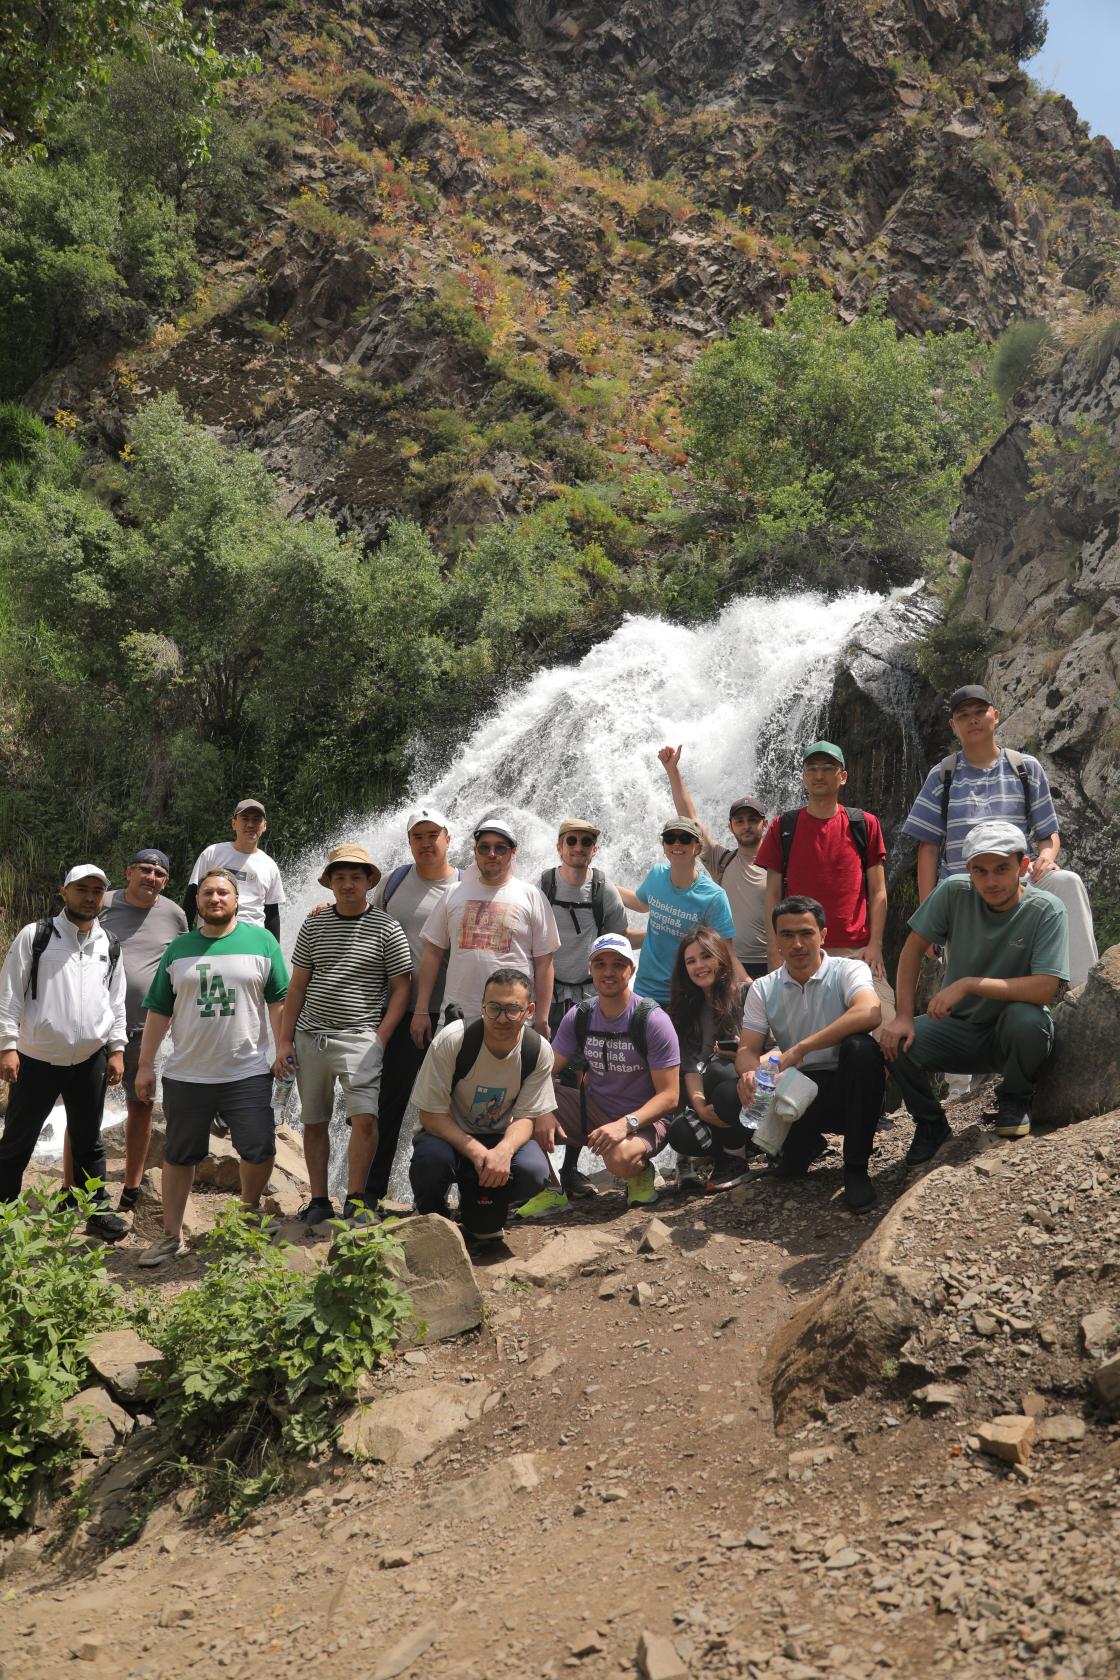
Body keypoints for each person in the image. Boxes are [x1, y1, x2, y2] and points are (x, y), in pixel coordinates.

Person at [881, 820, 1069, 1163]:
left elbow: (1045, 988)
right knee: (896, 1043)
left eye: (1001, 869)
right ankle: (930, 1124)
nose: (991, 881)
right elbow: (911, 950)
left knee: (1026, 1019)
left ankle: (1015, 1096)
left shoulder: (1046, 910)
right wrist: (904, 1016)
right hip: (960, 1029)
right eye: (980, 871)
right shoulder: (954, 892)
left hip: (1012, 1033)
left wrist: (968, 984)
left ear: (1023, 866)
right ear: (969, 870)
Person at [133, 867, 290, 1266]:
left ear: (236, 900)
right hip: (188, 1071)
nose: (215, 899)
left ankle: (248, 1214)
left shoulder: (262, 941)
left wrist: (282, 1047)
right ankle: (171, 1236)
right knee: (179, 1154)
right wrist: (145, 1065)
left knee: (258, 1147)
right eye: (207, 894)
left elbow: (279, 1002)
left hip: (247, 1069)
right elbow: (158, 1011)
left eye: (223, 893)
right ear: (198, 901)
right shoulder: (179, 947)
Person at [900, 684, 1098, 986]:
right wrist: (930, 919)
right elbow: (927, 849)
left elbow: (1049, 834)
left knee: (1067, 882)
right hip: (964, 889)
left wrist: (1046, 857)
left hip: (1020, 881)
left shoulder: (1025, 768)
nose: (973, 720)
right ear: (954, 726)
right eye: (964, 715)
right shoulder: (942, 776)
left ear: (996, 715)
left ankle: (1085, 992)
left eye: (980, 712)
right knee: (971, 1001)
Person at [276, 845, 412, 1225]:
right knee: (315, 1121)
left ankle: (355, 1198)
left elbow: (402, 987)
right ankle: (319, 1199)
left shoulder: (386, 927)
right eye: (340, 877)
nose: (348, 884)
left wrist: (380, 1037)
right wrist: (285, 1041)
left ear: (370, 881)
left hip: (360, 1038)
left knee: (365, 1119)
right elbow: (298, 986)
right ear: (330, 883)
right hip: (311, 1037)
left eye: (356, 877)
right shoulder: (315, 924)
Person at [0, 865, 128, 1237]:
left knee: (90, 1140)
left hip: (90, 1060)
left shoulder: (110, 944)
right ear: (64, 891)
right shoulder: (37, 936)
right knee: (18, 1141)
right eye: (81, 889)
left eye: (96, 890)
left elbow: (115, 1002)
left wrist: (117, 1049)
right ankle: (5, 1213)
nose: (89, 897)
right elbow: (9, 995)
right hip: (37, 1059)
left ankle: (96, 1212)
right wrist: (8, 1047)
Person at [735, 896, 884, 1211]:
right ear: (776, 940)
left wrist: (802, 1047)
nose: (797, 943)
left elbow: (870, 1013)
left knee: (862, 1048)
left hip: (849, 1087)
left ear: (824, 935)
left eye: (806, 933)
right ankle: (800, 1148)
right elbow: (748, 1048)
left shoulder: (848, 969)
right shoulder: (763, 988)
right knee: (730, 1089)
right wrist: (749, 1073)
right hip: (799, 1089)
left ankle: (855, 1168)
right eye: (787, 935)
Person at [520, 933, 681, 1215]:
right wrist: (543, 1110)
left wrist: (624, 1125)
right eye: (600, 964)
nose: (608, 972)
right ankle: (550, 1189)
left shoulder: (652, 1020)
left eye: (618, 964)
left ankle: (641, 1170)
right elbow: (544, 1073)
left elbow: (670, 1097)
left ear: (632, 970)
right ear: (590, 969)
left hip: (644, 1119)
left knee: (619, 1160)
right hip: (593, 1111)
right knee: (520, 1101)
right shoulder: (580, 1016)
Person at [73, 850, 188, 1214]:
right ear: (129, 872)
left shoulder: (174, 914)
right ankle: (71, 1187)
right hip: (91, 1026)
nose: (150, 877)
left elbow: (182, 963)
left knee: (141, 1106)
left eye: (158, 872)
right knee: (81, 1108)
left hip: (144, 1030)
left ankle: (132, 1187)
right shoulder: (101, 902)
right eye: (144, 869)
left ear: (165, 880)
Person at [409, 968, 555, 1242]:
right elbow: (429, 1115)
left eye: (513, 1009)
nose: (501, 1018)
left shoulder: (537, 1051)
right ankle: (435, 1212)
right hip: (447, 1137)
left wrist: (504, 1151)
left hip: (498, 1138)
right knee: (430, 1163)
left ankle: (481, 1203)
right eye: (493, 1008)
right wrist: (476, 1151)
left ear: (530, 1010)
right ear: (482, 1005)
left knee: (534, 1172)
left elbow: (526, 1118)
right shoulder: (454, 1040)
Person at [363, 808, 461, 1208]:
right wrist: (325, 910)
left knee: (454, 1107)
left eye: (432, 833)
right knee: (390, 1103)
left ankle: (450, 1197)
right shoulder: (394, 881)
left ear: (448, 838)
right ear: (410, 843)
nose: (426, 841)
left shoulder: (464, 885)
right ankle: (370, 1193)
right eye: (417, 835)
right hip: (399, 1012)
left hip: (451, 1013)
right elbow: (365, 922)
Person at [755, 741, 893, 1023]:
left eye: (828, 768)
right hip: (800, 949)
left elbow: (878, 891)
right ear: (804, 776)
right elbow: (772, 895)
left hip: (856, 951)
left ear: (842, 776)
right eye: (812, 769)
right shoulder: (784, 827)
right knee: (793, 1034)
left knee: (886, 1025)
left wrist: (875, 945)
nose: (819, 775)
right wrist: (774, 950)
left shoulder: (864, 824)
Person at [539, 817, 629, 1199]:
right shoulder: (542, 886)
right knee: (540, 1079)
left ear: (595, 848)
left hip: (589, 999)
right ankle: (541, 1174)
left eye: (586, 841)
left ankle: (570, 1169)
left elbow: (617, 942)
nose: (578, 846)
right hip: (548, 997)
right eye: (571, 840)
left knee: (581, 1081)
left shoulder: (603, 889)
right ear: (560, 846)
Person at [412, 817, 560, 1043]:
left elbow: (544, 962)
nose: (492, 853)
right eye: (484, 847)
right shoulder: (453, 893)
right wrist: (421, 1009)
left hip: (512, 1019)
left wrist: (541, 1017)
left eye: (500, 847)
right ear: (475, 852)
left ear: (512, 853)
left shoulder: (531, 896)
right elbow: (432, 953)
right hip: (456, 1018)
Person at [658, 745, 769, 978]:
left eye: (752, 820)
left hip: (770, 962)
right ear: (731, 827)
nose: (746, 825)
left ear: (765, 824)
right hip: (727, 961)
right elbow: (690, 818)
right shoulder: (722, 860)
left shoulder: (778, 865)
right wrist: (672, 771)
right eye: (739, 821)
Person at [665, 927, 754, 1193]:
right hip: (715, 1100)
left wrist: (744, 1054)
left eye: (705, 957)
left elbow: (777, 1050)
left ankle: (736, 1158)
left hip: (754, 1095)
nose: (699, 966)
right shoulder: (685, 1009)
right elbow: (690, 1066)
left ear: (720, 958)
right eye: (691, 961)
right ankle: (728, 1152)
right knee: (680, 1133)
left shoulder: (748, 994)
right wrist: (701, 1107)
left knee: (719, 1071)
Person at [618, 817, 739, 1007]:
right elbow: (641, 903)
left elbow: (726, 954)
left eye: (684, 838)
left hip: (686, 998)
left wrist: (738, 991)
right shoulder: (657, 874)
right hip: (644, 992)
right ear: (663, 845)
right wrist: (602, 884)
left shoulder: (714, 897)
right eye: (670, 838)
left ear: (697, 848)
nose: (676, 843)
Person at [185, 799, 285, 938]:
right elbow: (191, 898)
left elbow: (272, 913)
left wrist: (274, 951)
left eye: (256, 820)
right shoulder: (212, 853)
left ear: (264, 826)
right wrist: (185, 938)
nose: (250, 825)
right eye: (245, 819)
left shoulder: (269, 865)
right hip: (211, 939)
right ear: (234, 823)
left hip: (253, 942)